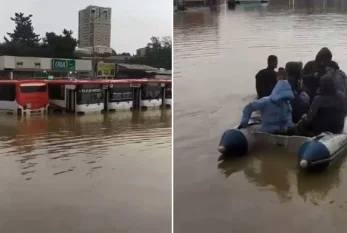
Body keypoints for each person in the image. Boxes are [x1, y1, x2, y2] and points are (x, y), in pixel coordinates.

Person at [239, 69, 294, 134]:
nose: (281, 81)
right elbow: (249, 107)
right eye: (280, 79)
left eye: (283, 79)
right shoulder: (266, 101)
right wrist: (244, 123)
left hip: (280, 135)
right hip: (267, 134)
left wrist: (288, 127)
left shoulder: (286, 104)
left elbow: (288, 119)